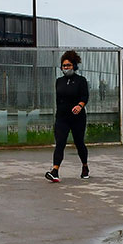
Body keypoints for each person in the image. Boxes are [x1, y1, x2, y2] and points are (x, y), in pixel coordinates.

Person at [46, 50, 89, 182]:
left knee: (79, 143)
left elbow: (85, 96)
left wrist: (79, 105)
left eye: (69, 65)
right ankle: (55, 170)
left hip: (77, 118)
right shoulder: (59, 81)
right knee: (60, 143)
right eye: (64, 66)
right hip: (62, 118)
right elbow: (59, 100)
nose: (66, 68)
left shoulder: (81, 81)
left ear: (74, 66)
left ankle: (85, 166)